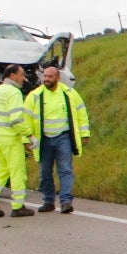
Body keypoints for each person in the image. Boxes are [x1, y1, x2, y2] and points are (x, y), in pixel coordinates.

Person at [26, 64, 90, 213]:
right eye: (45, 76)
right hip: (44, 140)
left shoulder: (70, 93)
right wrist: (26, 139)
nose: (46, 79)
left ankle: (66, 201)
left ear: (58, 78)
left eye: (50, 76)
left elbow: (81, 114)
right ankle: (48, 201)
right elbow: (26, 119)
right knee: (44, 173)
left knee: (65, 170)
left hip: (64, 137)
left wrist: (84, 134)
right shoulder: (35, 95)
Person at [0, 65, 35, 218]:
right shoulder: (14, 93)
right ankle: (18, 206)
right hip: (10, 139)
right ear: (12, 75)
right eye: (21, 75)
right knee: (17, 173)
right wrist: (29, 135)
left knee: (2, 171)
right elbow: (16, 119)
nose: (24, 78)